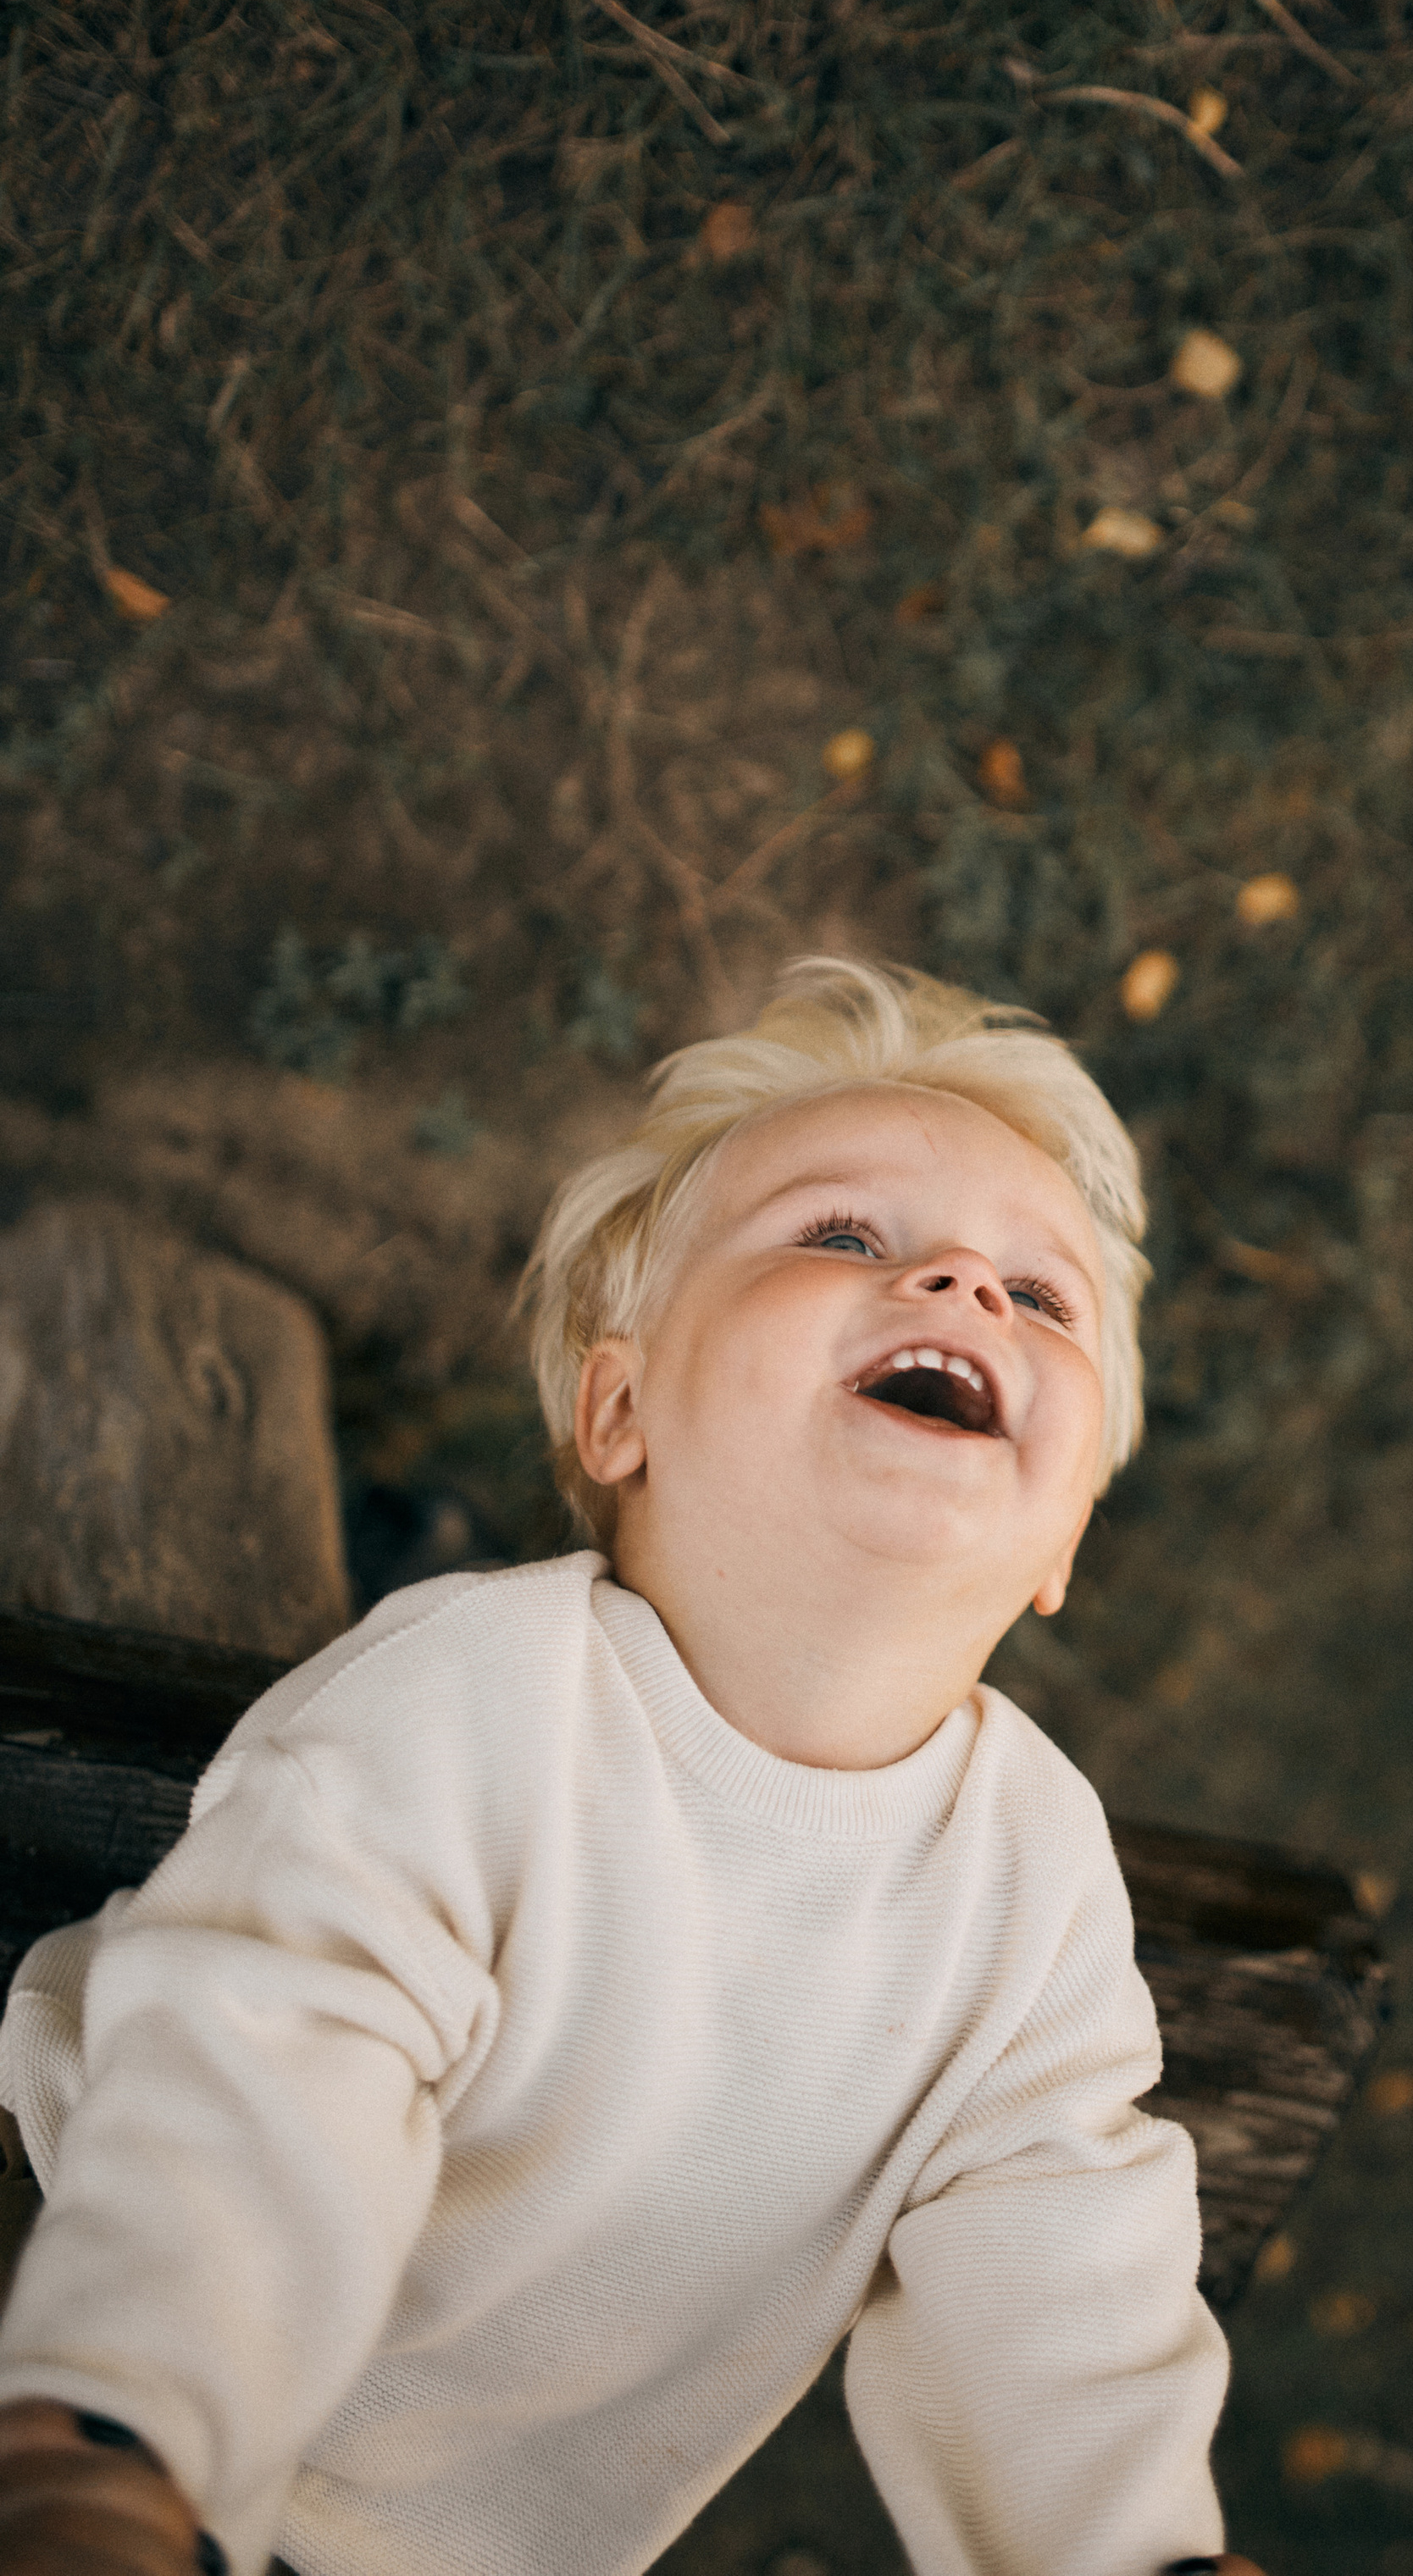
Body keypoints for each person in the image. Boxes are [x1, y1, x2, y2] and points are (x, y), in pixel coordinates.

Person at [0, 957, 1266, 2576]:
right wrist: (120, 2438)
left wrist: (1132, 2554)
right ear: (620, 1407)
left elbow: (1064, 2261)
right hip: (109, 2358)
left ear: (1064, 1539)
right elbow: (271, 2048)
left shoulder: (1033, 1884)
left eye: (1041, 1294)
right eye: (841, 1236)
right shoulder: (479, 1704)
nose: (962, 1284)